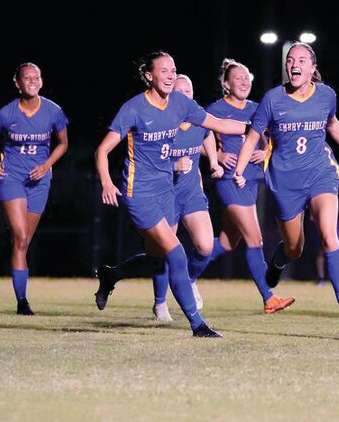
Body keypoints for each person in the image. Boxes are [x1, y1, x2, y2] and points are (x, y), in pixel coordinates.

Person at [94, 51, 246, 338]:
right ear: (149, 76)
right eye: (163, 71)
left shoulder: (180, 103)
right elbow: (102, 150)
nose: (169, 75)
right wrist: (105, 182)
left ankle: (110, 275)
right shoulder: (134, 108)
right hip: (139, 192)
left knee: (158, 258)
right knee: (176, 254)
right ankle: (197, 324)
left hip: (166, 190)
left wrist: (255, 128)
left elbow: (218, 124)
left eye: (173, 70)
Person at [231, 42, 339, 332]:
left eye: (301, 60)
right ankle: (280, 259)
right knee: (295, 249)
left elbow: (332, 123)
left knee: (329, 235)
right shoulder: (272, 99)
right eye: (290, 60)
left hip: (321, 173)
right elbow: (252, 136)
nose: (294, 64)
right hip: (285, 182)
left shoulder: (326, 95)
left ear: (312, 67)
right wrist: (240, 169)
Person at [187, 58, 295, 314]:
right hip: (229, 181)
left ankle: (183, 276)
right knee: (254, 239)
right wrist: (216, 157)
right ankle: (269, 299)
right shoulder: (214, 109)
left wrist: (266, 150)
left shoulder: (258, 108)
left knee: (226, 243)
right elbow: (192, 136)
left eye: (247, 77)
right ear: (226, 84)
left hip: (252, 180)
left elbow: (273, 137)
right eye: (238, 78)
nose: (244, 81)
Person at [0, 62, 69, 316]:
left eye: (35, 77)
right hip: (12, 178)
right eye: (26, 78)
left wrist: (47, 164)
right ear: (16, 82)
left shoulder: (53, 111)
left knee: (25, 240)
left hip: (40, 181)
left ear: (41, 81)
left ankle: (20, 287)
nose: (31, 81)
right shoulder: (6, 114)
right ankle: (22, 302)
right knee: (19, 236)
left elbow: (63, 143)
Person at [150, 74, 223, 322]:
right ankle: (160, 304)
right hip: (165, 195)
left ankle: (189, 280)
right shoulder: (160, 123)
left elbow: (209, 134)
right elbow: (146, 160)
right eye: (178, 92)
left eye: (188, 92)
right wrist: (172, 164)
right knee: (164, 252)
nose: (184, 96)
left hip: (191, 194)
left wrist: (213, 161)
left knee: (205, 246)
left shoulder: (197, 118)